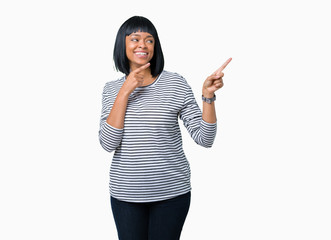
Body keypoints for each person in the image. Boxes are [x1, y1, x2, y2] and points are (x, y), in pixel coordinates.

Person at [99, 16, 231, 240]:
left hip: (171, 194)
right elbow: (108, 143)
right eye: (135, 38)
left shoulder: (175, 84)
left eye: (149, 40)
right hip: (126, 195)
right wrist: (124, 92)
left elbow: (204, 138)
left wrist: (208, 96)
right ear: (122, 45)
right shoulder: (112, 89)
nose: (143, 44)